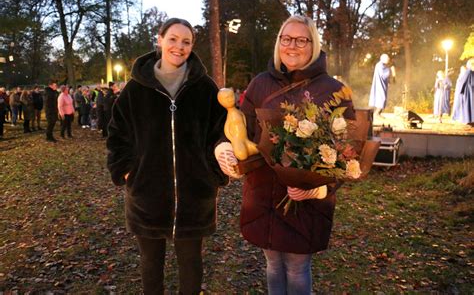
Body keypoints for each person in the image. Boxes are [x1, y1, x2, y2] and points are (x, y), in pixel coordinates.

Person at [215, 15, 355, 294]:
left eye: (301, 39)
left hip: (304, 197)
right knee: (273, 265)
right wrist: (225, 148)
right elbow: (240, 128)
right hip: (264, 193)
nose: (292, 45)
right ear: (278, 42)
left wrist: (319, 190)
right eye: (286, 38)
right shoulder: (259, 84)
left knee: (297, 266)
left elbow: (349, 151)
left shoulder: (334, 90)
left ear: (313, 44)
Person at [106, 17, 228, 294]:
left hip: (194, 198)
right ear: (159, 39)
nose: (179, 46)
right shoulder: (136, 89)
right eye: (173, 39)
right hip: (147, 197)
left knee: (191, 265)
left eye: (186, 41)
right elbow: (117, 135)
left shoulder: (205, 88)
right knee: (151, 265)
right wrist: (127, 171)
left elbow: (221, 134)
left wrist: (213, 173)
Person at [368, 53, 395, 118]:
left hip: (382, 85)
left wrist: (389, 81)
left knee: (383, 99)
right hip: (379, 86)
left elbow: (385, 76)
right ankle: (376, 113)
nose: (388, 60)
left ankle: (378, 113)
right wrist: (390, 70)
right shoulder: (379, 65)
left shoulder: (382, 65)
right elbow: (383, 75)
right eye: (387, 59)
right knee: (381, 99)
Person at [456, 58, 474, 125]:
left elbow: (463, 81)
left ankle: (468, 120)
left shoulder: (468, 71)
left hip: (468, 91)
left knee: (467, 105)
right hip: (472, 91)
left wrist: (461, 91)